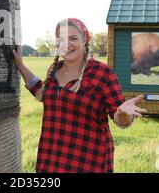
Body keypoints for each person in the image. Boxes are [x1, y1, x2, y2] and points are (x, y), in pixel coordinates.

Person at [12, 18, 146, 173]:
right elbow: (42, 94)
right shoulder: (54, 69)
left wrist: (123, 114)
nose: (65, 44)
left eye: (73, 38)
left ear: (85, 41)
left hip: (87, 162)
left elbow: (120, 119)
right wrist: (20, 65)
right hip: (51, 160)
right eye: (60, 39)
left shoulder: (102, 73)